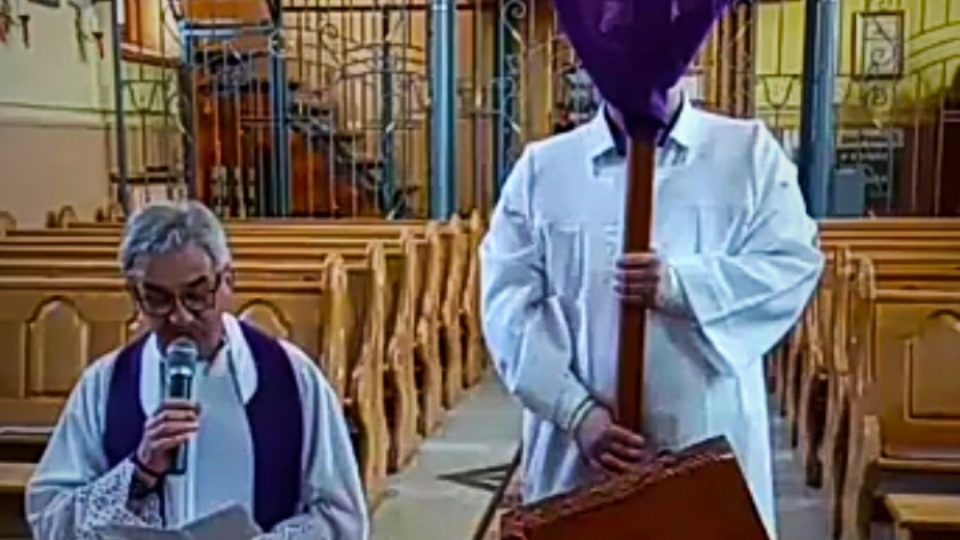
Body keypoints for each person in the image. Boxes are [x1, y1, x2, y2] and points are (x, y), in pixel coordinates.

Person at [480, 86, 824, 538]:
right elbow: (507, 305)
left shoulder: (748, 155)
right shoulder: (542, 170)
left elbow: (791, 264)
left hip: (704, 436)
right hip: (581, 450)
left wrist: (683, 287)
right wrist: (577, 413)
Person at [26, 201, 369, 539]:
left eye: (196, 294)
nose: (180, 317)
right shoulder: (105, 385)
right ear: (134, 294)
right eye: (158, 299)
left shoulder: (293, 378)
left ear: (228, 281)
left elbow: (342, 517)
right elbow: (49, 517)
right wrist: (138, 473)